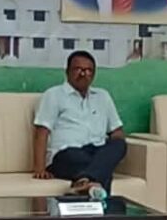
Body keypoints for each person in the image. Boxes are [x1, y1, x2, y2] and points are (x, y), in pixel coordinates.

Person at [33, 50, 126, 195]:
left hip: (96, 152)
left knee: (119, 144)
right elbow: (41, 132)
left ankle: (85, 182)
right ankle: (95, 187)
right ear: (67, 72)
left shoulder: (103, 96)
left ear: (94, 74)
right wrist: (39, 168)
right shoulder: (54, 95)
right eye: (78, 69)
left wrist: (110, 151)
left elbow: (117, 131)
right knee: (83, 159)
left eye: (88, 70)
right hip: (66, 155)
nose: (83, 74)